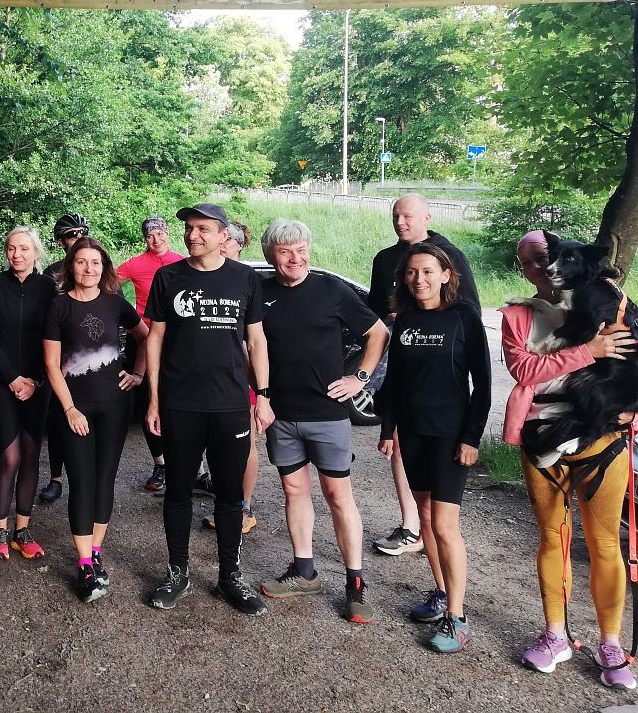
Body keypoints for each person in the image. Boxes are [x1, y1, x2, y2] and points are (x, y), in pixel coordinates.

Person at [502, 229, 637, 688]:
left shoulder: (611, 301)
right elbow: (524, 368)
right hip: (541, 434)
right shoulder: (517, 314)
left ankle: (611, 643)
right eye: (529, 262)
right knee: (551, 539)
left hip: (603, 436)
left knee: (604, 544)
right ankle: (555, 634)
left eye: (543, 256)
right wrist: (587, 351)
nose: (541, 266)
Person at [256, 218, 388, 623]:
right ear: (271, 256)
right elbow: (251, 345)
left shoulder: (331, 289)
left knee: (337, 495)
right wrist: (260, 397)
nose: (295, 258)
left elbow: (378, 332)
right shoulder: (261, 292)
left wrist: (359, 378)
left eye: (301, 250)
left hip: (327, 414)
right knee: (294, 490)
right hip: (281, 414)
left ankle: (355, 584)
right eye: (285, 252)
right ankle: (305, 571)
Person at [144, 204, 270, 616]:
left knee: (230, 494)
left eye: (202, 228)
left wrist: (263, 395)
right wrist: (153, 398)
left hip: (230, 403)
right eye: (188, 228)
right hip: (181, 402)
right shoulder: (168, 277)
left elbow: (256, 341)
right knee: (178, 489)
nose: (192, 235)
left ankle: (229, 576)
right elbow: (155, 339)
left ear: (222, 236)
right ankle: (177, 573)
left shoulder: (244, 278)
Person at [377, 244, 491, 653]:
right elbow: (393, 381)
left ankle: (457, 619)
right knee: (424, 516)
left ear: (446, 275)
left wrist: (471, 438)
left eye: (427, 271)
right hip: (413, 434)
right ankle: (442, 592)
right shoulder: (405, 320)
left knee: (444, 525)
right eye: (411, 272)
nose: (418, 279)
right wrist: (388, 429)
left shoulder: (465, 317)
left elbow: (483, 385)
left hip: (450, 436)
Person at [369, 194, 480, 557]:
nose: (400, 222)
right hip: (399, 350)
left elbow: (470, 311)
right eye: (395, 216)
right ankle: (411, 524)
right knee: (398, 440)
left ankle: (426, 527)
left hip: (440, 362)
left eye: (408, 216)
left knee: (435, 457)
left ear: (427, 217)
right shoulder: (384, 259)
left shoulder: (449, 254)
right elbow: (373, 312)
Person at [44, 236, 148, 602]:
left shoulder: (115, 302)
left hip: (115, 406)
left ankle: (97, 551)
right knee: (81, 481)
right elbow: (51, 365)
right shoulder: (58, 306)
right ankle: (84, 562)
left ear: (104, 268)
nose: (88, 268)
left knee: (105, 479)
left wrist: (138, 373)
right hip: (76, 408)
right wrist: (69, 409)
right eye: (81, 262)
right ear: (71, 265)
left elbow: (145, 336)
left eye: (95, 263)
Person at [0, 226, 58, 560]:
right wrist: (12, 378)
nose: (17, 254)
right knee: (9, 457)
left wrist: (36, 380)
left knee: (30, 454)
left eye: (24, 248)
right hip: (3, 382)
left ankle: (21, 531)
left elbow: (54, 336)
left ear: (36, 252)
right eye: (12, 248)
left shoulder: (49, 288)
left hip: (39, 384)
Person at [199, 219, 261, 535]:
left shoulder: (246, 278)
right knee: (216, 444)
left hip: (241, 375)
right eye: (220, 238)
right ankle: (226, 501)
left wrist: (261, 387)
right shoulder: (207, 276)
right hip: (206, 379)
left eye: (228, 240)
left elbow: (256, 339)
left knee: (245, 442)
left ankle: (243, 507)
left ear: (238, 244)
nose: (222, 245)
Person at [117, 215, 184, 492]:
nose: (156, 240)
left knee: (179, 401)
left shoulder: (182, 262)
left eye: (160, 233)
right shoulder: (135, 263)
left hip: (177, 339)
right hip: (144, 338)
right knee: (148, 403)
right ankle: (160, 464)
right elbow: (107, 283)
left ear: (167, 233)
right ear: (144, 238)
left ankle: (189, 465)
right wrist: (123, 314)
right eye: (149, 236)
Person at [39, 212, 90, 503]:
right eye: (72, 234)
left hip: (93, 356)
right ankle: (55, 478)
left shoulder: (99, 266)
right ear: (61, 241)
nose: (79, 237)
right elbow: (40, 317)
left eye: (83, 232)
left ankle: (90, 480)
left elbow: (116, 311)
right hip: (60, 357)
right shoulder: (51, 274)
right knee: (59, 417)